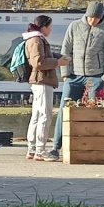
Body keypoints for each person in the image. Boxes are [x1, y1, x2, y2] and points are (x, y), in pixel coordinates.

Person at [48, 1, 104, 161]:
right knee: (65, 110)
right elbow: (66, 49)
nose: (93, 21)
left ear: (101, 17)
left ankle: (94, 147)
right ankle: (55, 147)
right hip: (74, 76)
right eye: (91, 17)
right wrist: (65, 74)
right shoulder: (74, 26)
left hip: (96, 76)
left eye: (97, 18)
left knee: (95, 112)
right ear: (86, 14)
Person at [23, 15, 70, 161]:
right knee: (45, 116)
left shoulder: (35, 39)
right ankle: (40, 151)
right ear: (44, 27)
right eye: (50, 26)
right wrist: (58, 62)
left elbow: (45, 56)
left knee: (37, 116)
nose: (51, 29)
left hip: (39, 82)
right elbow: (39, 62)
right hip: (42, 81)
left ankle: (32, 149)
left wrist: (61, 57)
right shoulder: (37, 40)